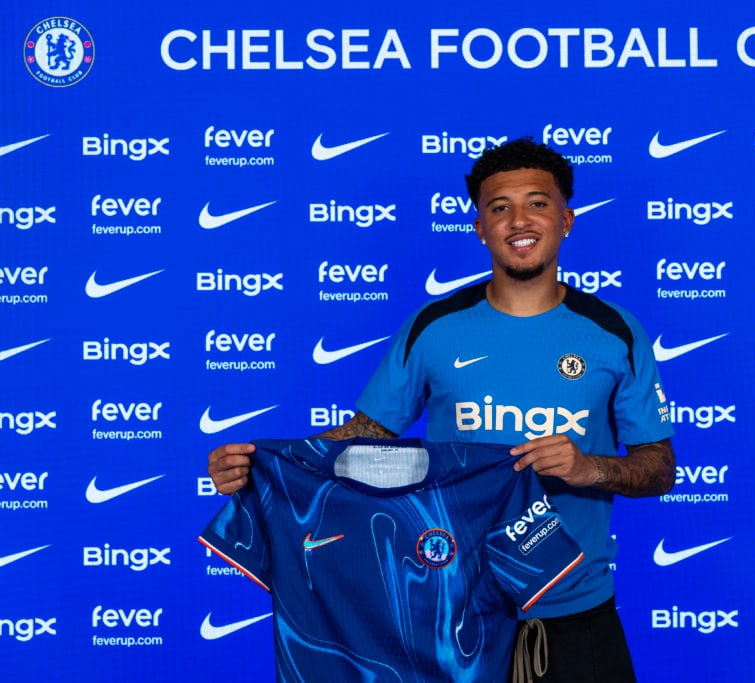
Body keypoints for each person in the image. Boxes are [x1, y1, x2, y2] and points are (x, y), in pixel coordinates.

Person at [208, 136, 676, 682]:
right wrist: (262, 467)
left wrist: (589, 466)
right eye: (499, 207)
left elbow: (659, 467)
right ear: (480, 228)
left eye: (537, 202)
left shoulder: (614, 332)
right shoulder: (434, 328)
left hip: (574, 607)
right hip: (450, 612)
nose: (518, 219)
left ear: (566, 220)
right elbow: (364, 438)